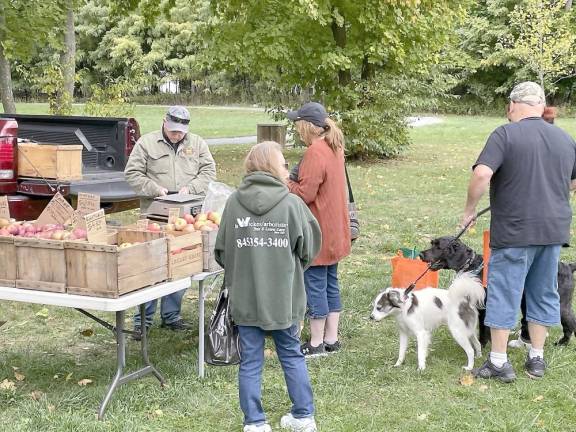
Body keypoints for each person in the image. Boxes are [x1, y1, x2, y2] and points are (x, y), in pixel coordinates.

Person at [461, 82, 576, 382]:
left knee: (503, 291)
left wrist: (469, 210)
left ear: (512, 105)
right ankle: (536, 359)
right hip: (553, 229)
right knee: (543, 291)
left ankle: (499, 362)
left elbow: (482, 173)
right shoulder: (564, 138)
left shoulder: (504, 134)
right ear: (541, 106)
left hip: (515, 230)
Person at [214, 141, 322, 432]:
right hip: (284, 299)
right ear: (273, 167)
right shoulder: (292, 204)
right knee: (291, 354)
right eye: (285, 163)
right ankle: (303, 416)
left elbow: (221, 251)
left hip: (246, 299)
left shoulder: (234, 202)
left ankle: (255, 423)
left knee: (250, 361)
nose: (288, 168)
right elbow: (310, 247)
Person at [125, 106, 216, 338]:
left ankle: (171, 316)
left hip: (187, 215)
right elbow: (132, 174)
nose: (177, 135)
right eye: (173, 130)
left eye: (181, 132)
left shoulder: (197, 144)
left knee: (181, 262)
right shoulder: (146, 143)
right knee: (150, 267)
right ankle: (142, 321)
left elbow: (208, 171)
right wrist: (155, 189)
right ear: (164, 122)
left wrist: (191, 188)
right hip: (155, 213)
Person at [286, 102, 351, 357]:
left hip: (319, 229)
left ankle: (315, 343)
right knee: (330, 282)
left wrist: (285, 181)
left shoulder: (315, 151)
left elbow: (305, 193)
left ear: (307, 127)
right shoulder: (334, 145)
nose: (295, 128)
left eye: (297, 124)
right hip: (335, 228)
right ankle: (332, 338)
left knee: (314, 284)